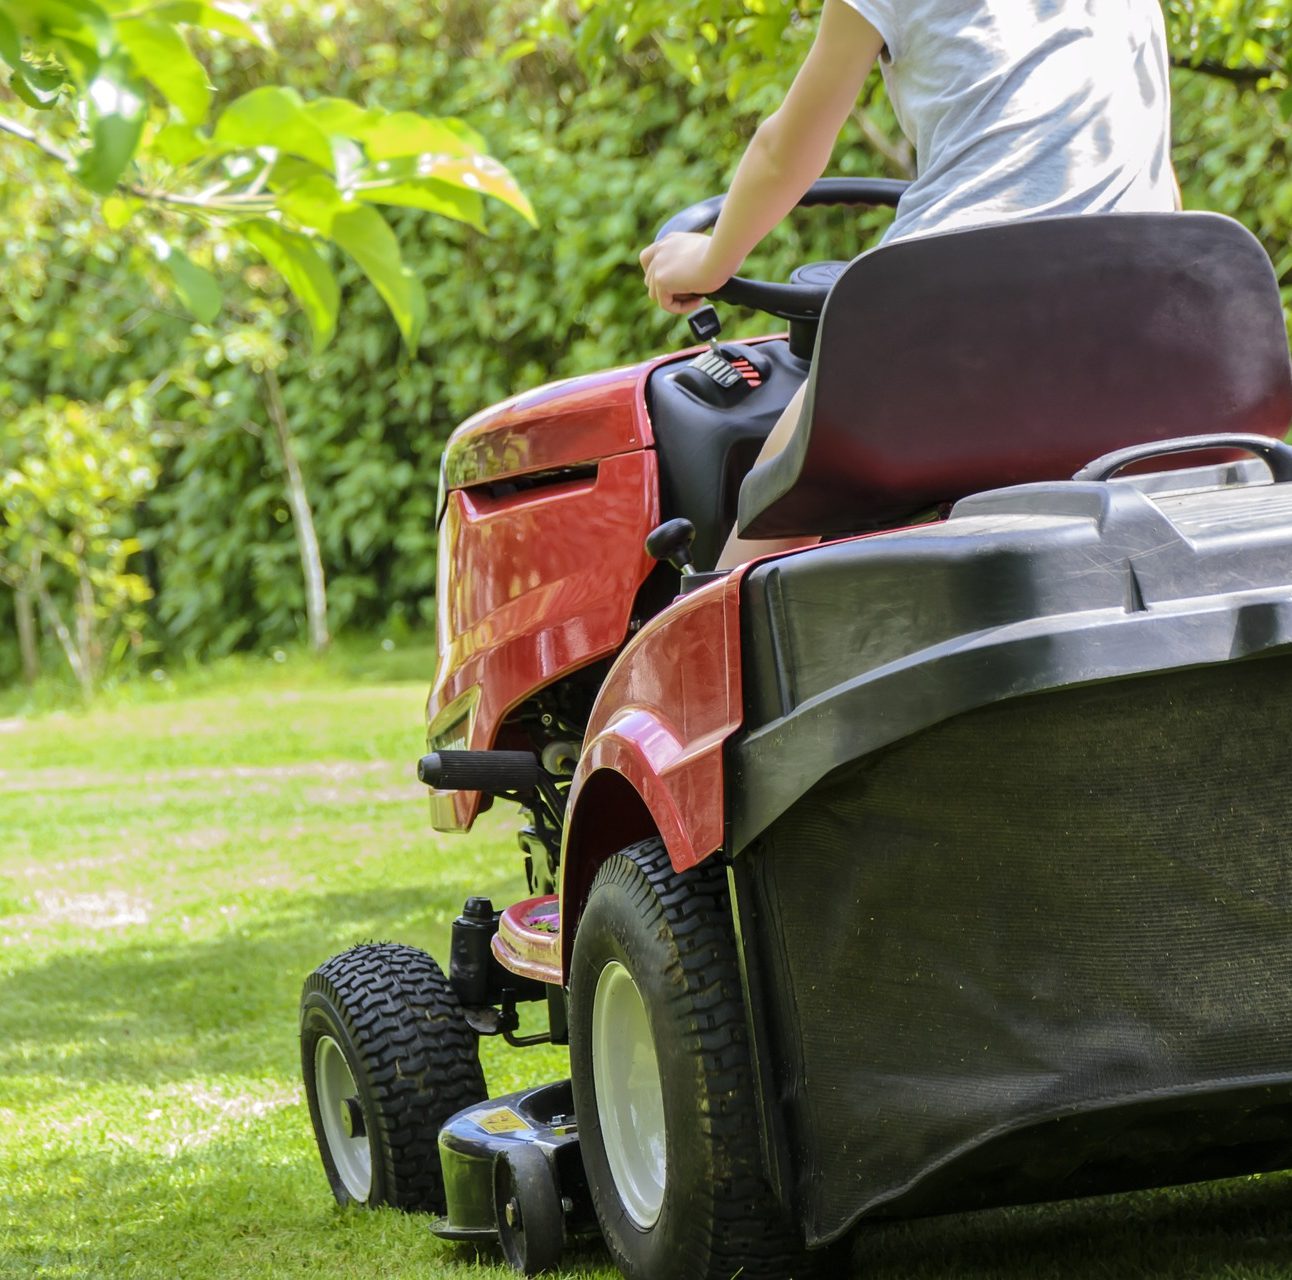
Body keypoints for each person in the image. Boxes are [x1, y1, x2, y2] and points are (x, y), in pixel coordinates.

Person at [640, 0, 1179, 569]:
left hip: (955, 311)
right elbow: (1159, 180)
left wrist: (710, 262)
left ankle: (716, 631)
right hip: (1137, 331)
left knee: (777, 493)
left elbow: (786, 151)